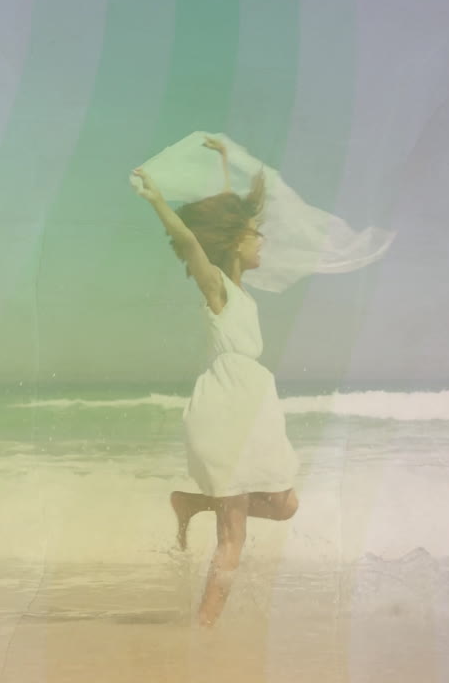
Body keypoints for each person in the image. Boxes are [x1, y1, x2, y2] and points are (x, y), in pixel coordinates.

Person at [132, 135, 300, 627]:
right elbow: (192, 243)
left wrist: (225, 165)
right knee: (234, 535)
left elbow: (224, 224)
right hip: (227, 410)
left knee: (285, 506)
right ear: (235, 244)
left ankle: (191, 503)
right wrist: (158, 202)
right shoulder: (218, 290)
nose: (261, 241)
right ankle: (203, 634)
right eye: (254, 235)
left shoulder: (239, 293)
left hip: (253, 407)